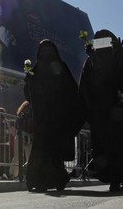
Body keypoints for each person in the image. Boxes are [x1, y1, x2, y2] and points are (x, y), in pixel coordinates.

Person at [78, 29, 123, 191]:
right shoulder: (91, 61)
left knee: (121, 145)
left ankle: (120, 176)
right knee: (104, 146)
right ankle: (114, 176)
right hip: (101, 114)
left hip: (122, 112)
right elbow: (86, 87)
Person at [24, 39, 83, 192]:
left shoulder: (61, 67)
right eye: (43, 49)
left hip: (58, 117)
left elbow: (72, 91)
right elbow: (30, 95)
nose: (46, 52)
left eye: (49, 48)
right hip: (42, 118)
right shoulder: (36, 70)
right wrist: (28, 80)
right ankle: (42, 180)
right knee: (42, 150)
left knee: (54, 151)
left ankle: (56, 179)